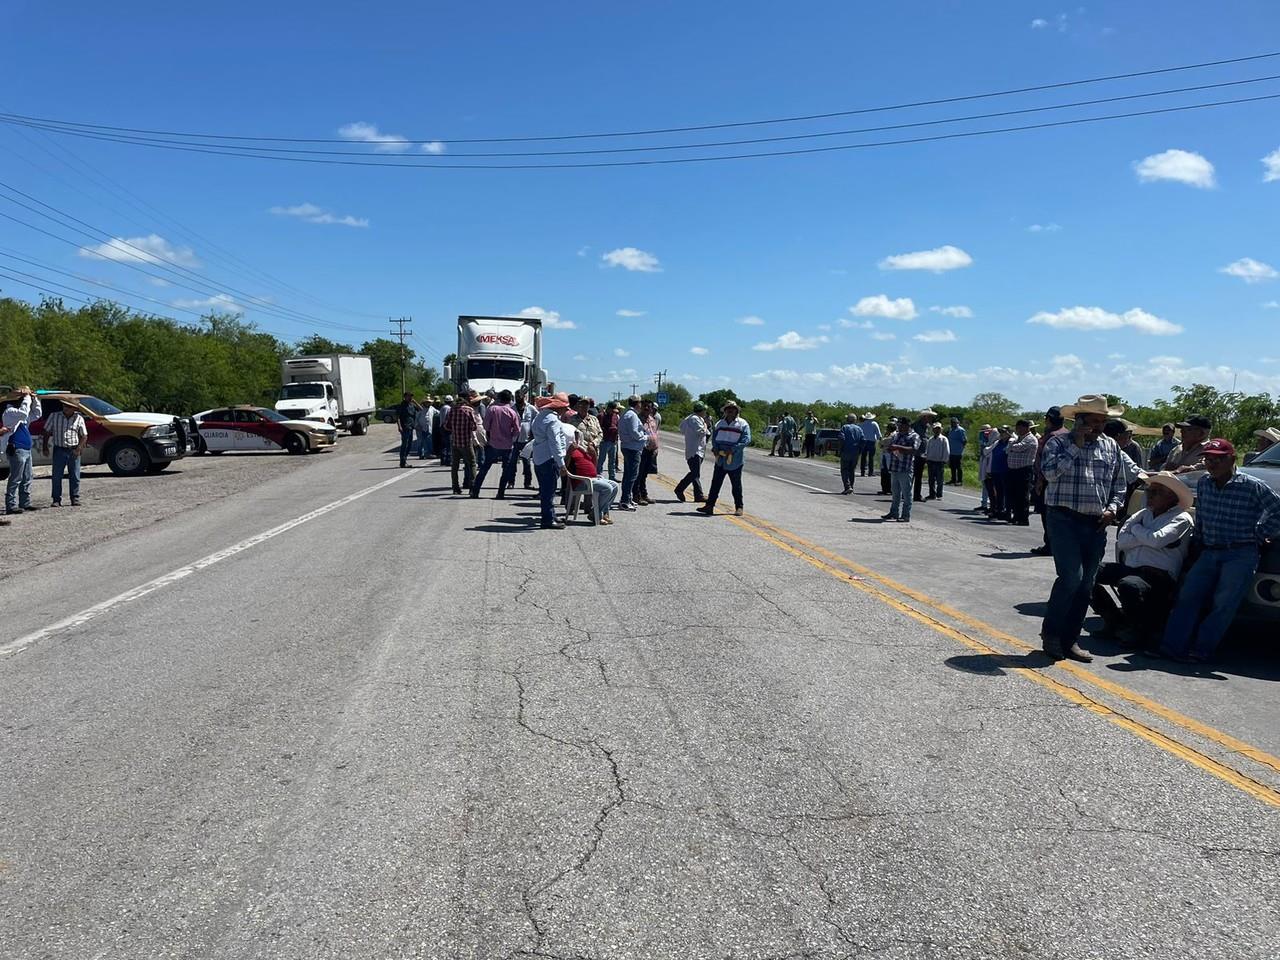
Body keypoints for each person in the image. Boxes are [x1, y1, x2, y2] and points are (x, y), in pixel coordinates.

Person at [1159, 438, 1280, 663]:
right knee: (1188, 597)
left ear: (1232, 459)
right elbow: (1202, 514)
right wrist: (1198, 541)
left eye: (1218, 459)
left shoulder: (1251, 485)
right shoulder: (1204, 483)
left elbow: (1277, 510)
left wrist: (1263, 532)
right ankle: (1171, 648)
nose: (1211, 464)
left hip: (1240, 554)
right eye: (1208, 459)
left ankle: (1201, 650)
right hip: (1210, 551)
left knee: (1223, 604)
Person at [1039, 394, 1128, 662]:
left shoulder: (1111, 446)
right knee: (1071, 579)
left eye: (1102, 421)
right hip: (1064, 519)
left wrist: (1113, 508)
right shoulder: (1058, 443)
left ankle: (1070, 640)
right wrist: (1076, 446)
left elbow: (1119, 484)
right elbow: (1050, 474)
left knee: (1086, 584)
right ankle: (1051, 635)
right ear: (1079, 421)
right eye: (1093, 421)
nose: (1098, 426)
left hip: (1096, 523)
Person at [1090, 472, 1193, 649]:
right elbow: (1122, 541)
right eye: (1149, 491)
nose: (1149, 495)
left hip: (1158, 574)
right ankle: (1113, 619)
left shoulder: (1181, 518)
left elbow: (1157, 540)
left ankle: (1140, 630)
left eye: (1156, 492)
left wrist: (1137, 531)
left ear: (1171, 496)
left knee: (1129, 585)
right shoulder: (1143, 514)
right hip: (1133, 568)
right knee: (1087, 572)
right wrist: (1146, 537)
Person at [696, 401, 751, 516]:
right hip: (720, 459)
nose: (730, 410)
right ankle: (709, 506)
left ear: (737, 410)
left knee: (736, 484)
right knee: (715, 483)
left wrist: (734, 449)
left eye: (732, 408)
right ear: (725, 411)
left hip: (734, 459)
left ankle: (739, 507)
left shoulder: (742, 424)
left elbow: (746, 440)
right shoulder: (720, 423)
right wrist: (715, 448)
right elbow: (714, 438)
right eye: (728, 408)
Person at [1031, 406, 1069, 556]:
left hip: (1048, 481)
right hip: (1064, 482)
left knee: (1047, 515)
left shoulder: (1050, 436)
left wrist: (1040, 481)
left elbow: (1043, 461)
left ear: (1048, 419)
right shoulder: (1068, 434)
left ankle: (1050, 545)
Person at [530, 392, 570, 529]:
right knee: (549, 491)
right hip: (549, 459)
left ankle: (550, 515)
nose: (566, 410)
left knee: (545, 490)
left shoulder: (540, 416)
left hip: (539, 457)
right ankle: (547, 519)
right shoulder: (553, 420)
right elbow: (555, 443)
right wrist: (562, 464)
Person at [471, 389, 520, 498]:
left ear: (500, 398)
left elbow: (486, 426)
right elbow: (517, 430)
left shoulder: (492, 409)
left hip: (493, 444)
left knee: (484, 468)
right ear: (509, 400)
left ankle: (475, 491)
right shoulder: (512, 412)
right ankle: (501, 492)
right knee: (506, 470)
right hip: (507, 445)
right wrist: (510, 437)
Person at [40, 398, 88, 508]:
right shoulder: (54, 416)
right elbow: (46, 431)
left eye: (68, 406)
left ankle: (75, 498)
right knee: (57, 476)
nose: (65, 408)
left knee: (75, 475)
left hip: (73, 449)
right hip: (59, 449)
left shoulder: (79, 418)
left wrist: (79, 448)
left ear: (74, 409)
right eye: (64, 406)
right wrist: (45, 447)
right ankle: (56, 499)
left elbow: (84, 435)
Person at [3, 387, 42, 516]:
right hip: (17, 449)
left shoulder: (21, 414)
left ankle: (25, 502)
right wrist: (26, 397)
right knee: (16, 478)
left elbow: (37, 414)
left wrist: (34, 399)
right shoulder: (10, 412)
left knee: (27, 477)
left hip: (26, 449)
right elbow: (24, 413)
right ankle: (11, 504)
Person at [567, 439, 619, 525]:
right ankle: (596, 515)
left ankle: (602, 513)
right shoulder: (570, 451)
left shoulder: (583, 451)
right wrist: (569, 451)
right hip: (581, 482)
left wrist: (594, 453)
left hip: (592, 478)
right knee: (607, 488)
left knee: (615, 486)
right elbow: (565, 466)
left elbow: (594, 467)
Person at [882, 417, 919, 522]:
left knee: (906, 494)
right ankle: (894, 512)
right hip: (895, 467)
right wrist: (889, 448)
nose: (899, 426)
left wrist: (898, 447)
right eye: (898, 425)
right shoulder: (896, 435)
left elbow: (914, 450)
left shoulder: (914, 436)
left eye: (901, 425)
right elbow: (891, 446)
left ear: (907, 425)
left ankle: (905, 515)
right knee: (895, 493)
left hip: (905, 469)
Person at [674, 401, 711, 502]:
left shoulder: (694, 418)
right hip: (695, 450)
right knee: (695, 473)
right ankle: (679, 489)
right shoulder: (694, 419)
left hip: (698, 449)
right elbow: (701, 431)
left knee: (695, 473)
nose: (705, 412)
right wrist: (706, 424)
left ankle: (698, 495)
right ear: (701, 411)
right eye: (705, 410)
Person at [1004, 419, 1039, 525]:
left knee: (1022, 495)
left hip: (1024, 470)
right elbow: (1007, 450)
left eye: (1019, 428)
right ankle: (1016, 516)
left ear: (1025, 428)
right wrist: (1011, 446)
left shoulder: (1030, 439)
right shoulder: (1019, 438)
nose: (1017, 430)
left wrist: (1011, 444)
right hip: (1013, 470)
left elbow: (1018, 448)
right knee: (1014, 494)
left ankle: (1023, 518)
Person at [446, 391, 481, 494]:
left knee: (455, 466)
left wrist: (454, 428)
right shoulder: (469, 410)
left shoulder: (452, 410)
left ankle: (455, 487)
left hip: (455, 442)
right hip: (466, 442)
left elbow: (446, 426)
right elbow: (474, 426)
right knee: (472, 464)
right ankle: (472, 487)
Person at [617, 396, 647, 510]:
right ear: (637, 403)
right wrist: (645, 437)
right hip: (632, 448)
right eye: (640, 403)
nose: (641, 405)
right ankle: (625, 501)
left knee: (628, 475)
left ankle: (627, 498)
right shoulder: (632, 415)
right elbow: (635, 433)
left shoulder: (627, 413)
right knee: (632, 475)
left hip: (628, 447)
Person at [911, 409, 938, 503]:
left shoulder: (926, 427)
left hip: (922, 454)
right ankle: (908, 494)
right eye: (930, 416)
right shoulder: (916, 426)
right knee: (912, 475)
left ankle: (916, 495)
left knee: (918, 476)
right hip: (916, 454)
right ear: (925, 416)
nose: (931, 418)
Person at [987, 427, 1011, 521]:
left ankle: (1006, 511)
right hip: (995, 470)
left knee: (1005, 492)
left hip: (1005, 470)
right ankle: (998, 510)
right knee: (998, 492)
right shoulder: (997, 443)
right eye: (1000, 432)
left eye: (1004, 432)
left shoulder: (1011, 442)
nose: (1001, 434)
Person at [838, 414, 864, 494]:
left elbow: (841, 438)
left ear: (848, 420)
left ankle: (848, 486)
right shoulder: (859, 429)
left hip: (846, 450)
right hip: (855, 452)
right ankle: (851, 487)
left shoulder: (844, 427)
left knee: (844, 470)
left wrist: (840, 449)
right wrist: (860, 450)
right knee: (852, 470)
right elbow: (863, 440)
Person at [394, 391, 419, 468]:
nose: (410, 397)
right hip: (405, 427)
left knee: (409, 445)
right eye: (409, 396)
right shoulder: (402, 406)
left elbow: (421, 409)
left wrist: (415, 402)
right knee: (404, 444)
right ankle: (402, 462)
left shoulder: (412, 405)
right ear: (405, 397)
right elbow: (397, 417)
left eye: (411, 396)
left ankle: (404, 460)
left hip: (411, 427)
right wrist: (399, 426)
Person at [597, 401, 621, 481]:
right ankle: (598, 475)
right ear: (609, 408)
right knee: (601, 459)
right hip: (604, 441)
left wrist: (616, 439)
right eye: (612, 409)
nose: (613, 412)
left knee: (612, 461)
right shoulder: (601, 416)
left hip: (613, 441)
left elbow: (617, 426)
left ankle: (612, 477)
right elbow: (598, 428)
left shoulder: (615, 416)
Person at [924, 424, 949, 500]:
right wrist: (926, 458)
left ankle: (939, 494)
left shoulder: (944, 439)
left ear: (941, 429)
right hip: (931, 461)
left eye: (938, 428)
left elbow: (946, 450)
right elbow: (927, 450)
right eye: (935, 428)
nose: (937, 430)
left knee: (939, 479)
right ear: (933, 430)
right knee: (931, 479)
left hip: (939, 462)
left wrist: (944, 460)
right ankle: (932, 494)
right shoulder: (931, 439)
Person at [976, 424, 997, 513]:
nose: (985, 433)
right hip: (984, 462)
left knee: (992, 487)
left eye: (987, 431)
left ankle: (991, 505)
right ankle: (984, 504)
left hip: (991, 465)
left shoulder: (994, 439)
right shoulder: (983, 439)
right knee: (985, 484)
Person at [946, 417, 967, 485]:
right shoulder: (951, 430)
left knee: (958, 466)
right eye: (952, 422)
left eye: (954, 422)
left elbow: (964, 440)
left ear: (957, 422)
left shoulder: (960, 430)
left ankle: (960, 480)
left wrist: (961, 448)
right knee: (952, 466)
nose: (953, 424)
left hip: (958, 451)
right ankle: (953, 479)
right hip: (951, 451)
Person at [859, 412, 881, 477]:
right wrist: (879, 440)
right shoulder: (874, 424)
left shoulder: (861, 424)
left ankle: (862, 472)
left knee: (863, 457)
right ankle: (870, 472)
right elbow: (878, 434)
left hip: (863, 441)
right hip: (871, 442)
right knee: (871, 458)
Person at [438, 394, 454, 466]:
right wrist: (446, 427)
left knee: (444, 444)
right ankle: (448, 460)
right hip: (446, 427)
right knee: (448, 444)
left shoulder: (442, 407)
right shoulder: (448, 408)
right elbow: (446, 418)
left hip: (442, 426)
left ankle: (443, 459)